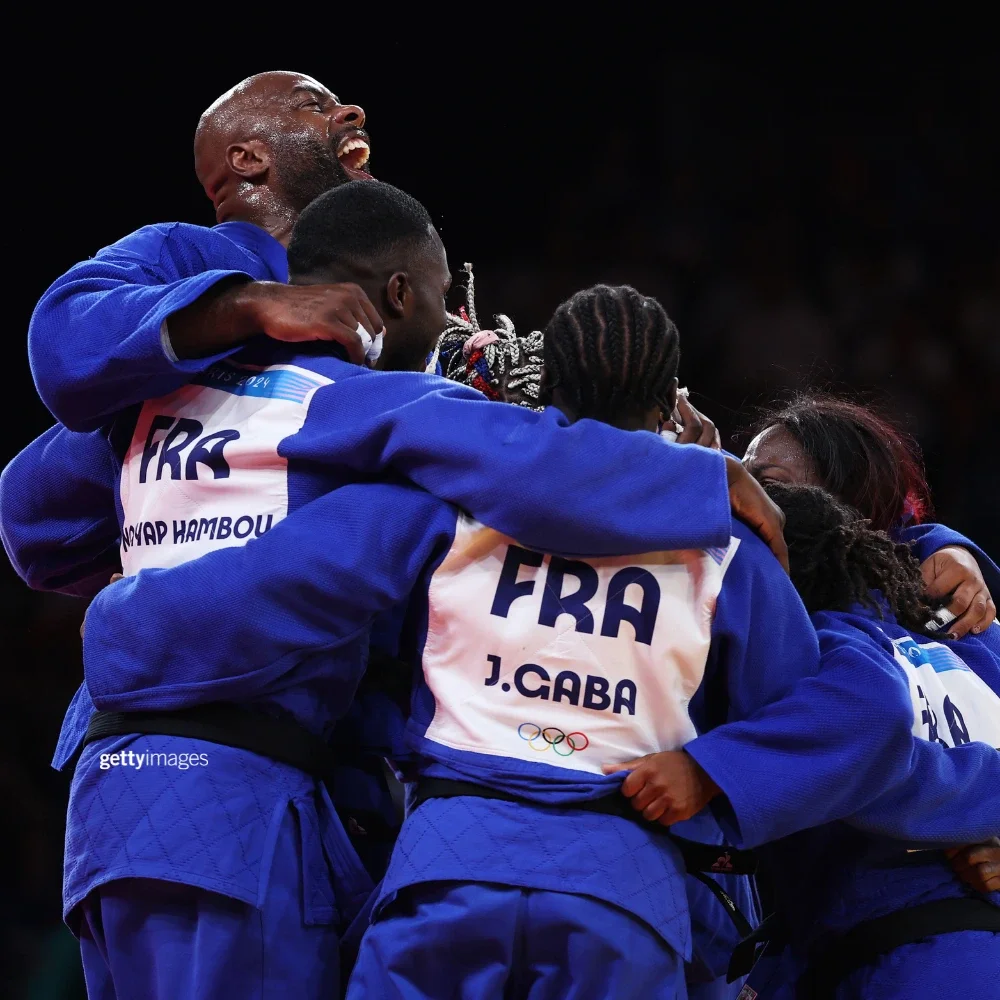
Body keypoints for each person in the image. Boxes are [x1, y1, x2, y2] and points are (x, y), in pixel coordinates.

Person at [2, 183, 780, 1000]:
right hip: (240, 806)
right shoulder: (361, 406)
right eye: (443, 302)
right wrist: (703, 479)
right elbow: (529, 463)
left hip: (112, 801)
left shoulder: (155, 402)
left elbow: (30, 522)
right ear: (400, 296)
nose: (449, 327)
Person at [80, 287, 935, 999]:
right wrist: (712, 773)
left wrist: (117, 624)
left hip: (444, 873)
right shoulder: (733, 542)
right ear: (672, 404)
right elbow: (802, 712)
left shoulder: (439, 507)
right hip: (623, 893)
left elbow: (278, 605)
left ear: (546, 392)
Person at [736, 482, 1000, 1000]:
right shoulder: (970, 631)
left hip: (911, 962)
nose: (747, 484)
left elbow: (863, 752)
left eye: (771, 480)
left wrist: (702, 771)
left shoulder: (822, 651)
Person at [743, 394, 997, 638]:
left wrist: (940, 544)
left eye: (768, 483)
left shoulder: (846, 646)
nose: (738, 496)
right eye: (738, 475)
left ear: (846, 515)